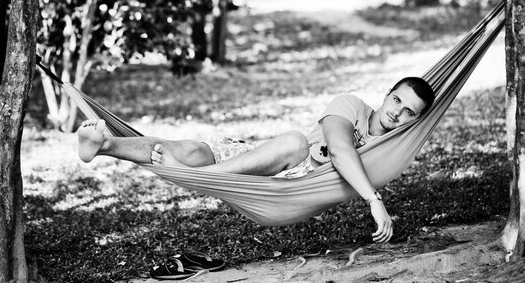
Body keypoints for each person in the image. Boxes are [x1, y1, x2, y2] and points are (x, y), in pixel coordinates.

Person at [77, 77, 435, 244]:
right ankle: (106, 144)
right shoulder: (351, 105)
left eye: (408, 113)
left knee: (294, 142)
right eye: (397, 102)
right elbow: (340, 149)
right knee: (192, 151)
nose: (397, 113)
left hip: (288, 192)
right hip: (265, 161)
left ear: (416, 122)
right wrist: (374, 201)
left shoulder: (394, 150)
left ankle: (197, 174)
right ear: (387, 95)